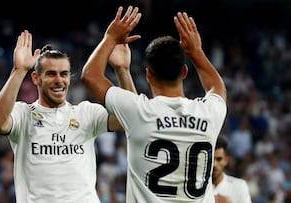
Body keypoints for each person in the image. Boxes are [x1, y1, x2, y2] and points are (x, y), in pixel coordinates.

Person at [81, 6, 227, 203]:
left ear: (148, 74)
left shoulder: (140, 112)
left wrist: (110, 38)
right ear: (184, 72)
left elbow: (90, 75)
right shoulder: (210, 113)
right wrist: (196, 51)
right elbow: (216, 86)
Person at [0, 29, 136, 202]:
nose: (59, 80)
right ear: (36, 78)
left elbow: (131, 117)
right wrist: (19, 71)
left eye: (64, 74)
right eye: (51, 74)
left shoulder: (86, 112)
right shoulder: (23, 114)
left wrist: (122, 70)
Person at [213, 136, 252, 203]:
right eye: (211, 160)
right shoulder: (194, 189)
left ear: (226, 160)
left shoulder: (239, 186)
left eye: (219, 159)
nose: (214, 164)